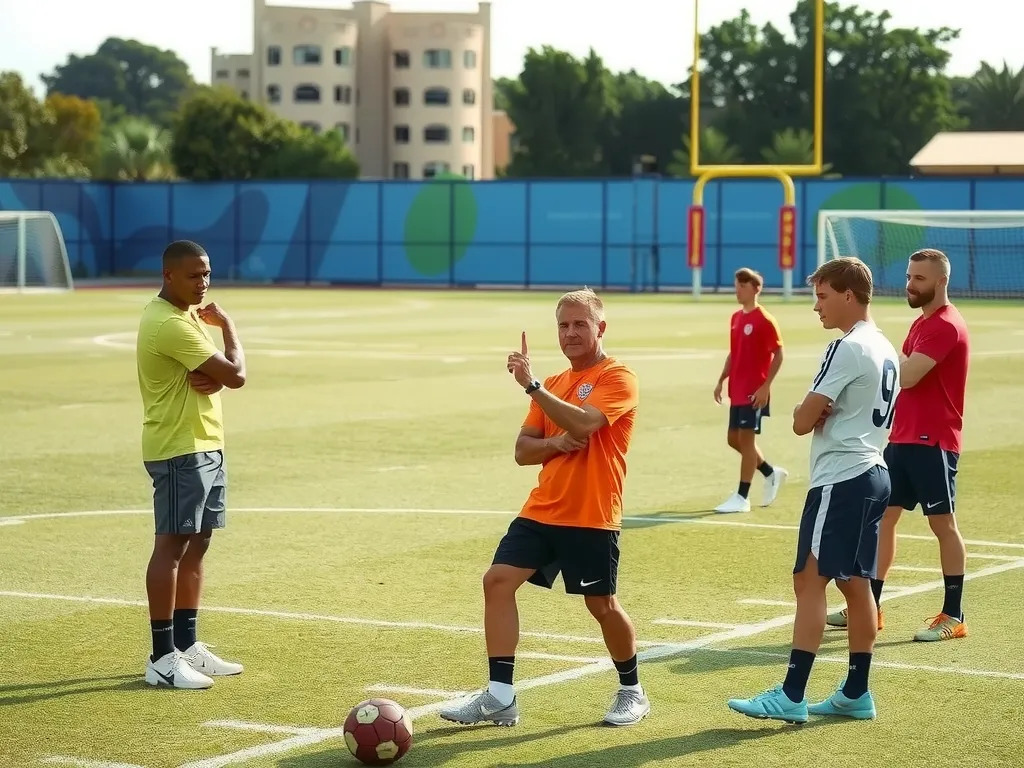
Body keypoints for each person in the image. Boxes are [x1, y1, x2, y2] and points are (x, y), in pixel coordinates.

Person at [438, 288, 650, 728]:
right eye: (563, 325)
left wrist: (531, 386)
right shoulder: (554, 384)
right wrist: (553, 441)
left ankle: (632, 689)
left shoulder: (618, 376)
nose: (570, 333)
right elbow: (522, 450)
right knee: (497, 581)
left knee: (602, 605)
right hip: (542, 509)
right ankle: (500, 697)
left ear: (600, 328)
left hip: (591, 512)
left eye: (580, 324)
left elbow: (588, 422)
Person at [727, 256, 899, 723]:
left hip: (841, 477)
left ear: (849, 295)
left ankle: (792, 694)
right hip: (874, 472)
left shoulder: (848, 347)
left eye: (822, 296)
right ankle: (856, 692)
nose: (816, 307)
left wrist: (807, 409)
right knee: (858, 583)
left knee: (810, 580)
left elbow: (803, 420)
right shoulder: (884, 346)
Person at [826, 248, 970, 642]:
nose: (910, 284)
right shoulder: (920, 324)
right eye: (909, 276)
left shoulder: (945, 325)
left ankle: (954, 615)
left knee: (943, 525)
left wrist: (900, 360)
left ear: (941, 281)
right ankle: (871, 606)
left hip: (934, 440)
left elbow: (905, 375)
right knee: (883, 520)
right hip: (902, 437)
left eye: (919, 278)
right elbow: (902, 365)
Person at [136, 240, 248, 690]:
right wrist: (230, 328)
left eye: (206, 274)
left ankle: (187, 645)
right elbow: (235, 375)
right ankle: (162, 657)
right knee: (172, 546)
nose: (202, 283)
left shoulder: (185, 317)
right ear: (168, 276)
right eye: (192, 276)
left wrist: (216, 375)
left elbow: (216, 378)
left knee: (198, 542)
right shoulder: (169, 324)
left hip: (204, 444)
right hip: (179, 447)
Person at [713, 267, 788, 513]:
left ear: (756, 289)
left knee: (746, 442)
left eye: (743, 286)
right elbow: (734, 352)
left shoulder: (764, 320)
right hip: (737, 389)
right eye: (736, 286)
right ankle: (770, 472)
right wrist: (722, 378)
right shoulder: (736, 318)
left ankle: (742, 497)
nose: (738, 291)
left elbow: (778, 353)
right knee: (732, 439)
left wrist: (766, 386)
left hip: (754, 391)